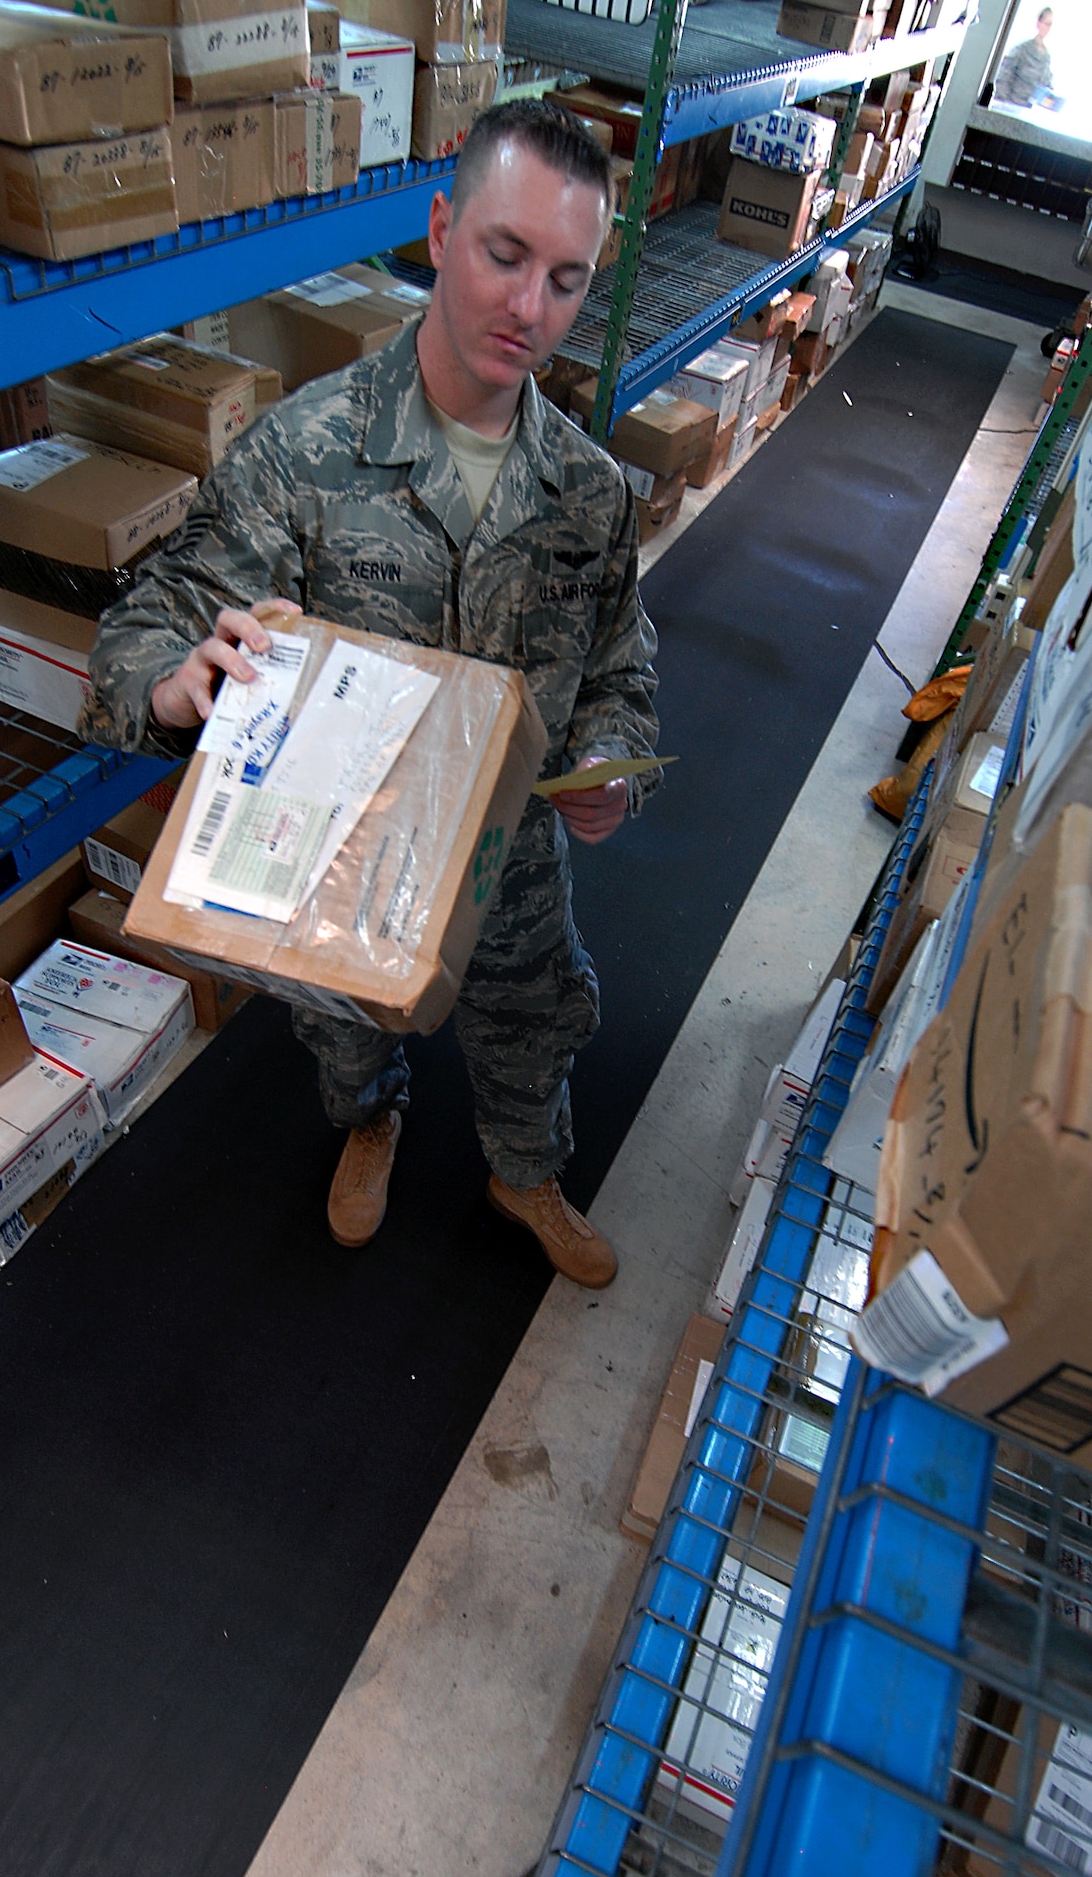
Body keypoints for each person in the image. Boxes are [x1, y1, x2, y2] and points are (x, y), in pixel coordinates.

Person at [79, 99, 660, 1289]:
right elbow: (144, 627)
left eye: (565, 277)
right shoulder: (304, 451)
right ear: (440, 229)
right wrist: (180, 684)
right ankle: (370, 1119)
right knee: (343, 1027)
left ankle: (523, 1165)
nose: (527, 307)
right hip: (339, 861)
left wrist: (609, 760)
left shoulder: (591, 492)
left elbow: (620, 662)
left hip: (510, 856)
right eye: (504, 255)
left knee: (532, 1021)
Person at [993, 7, 1057, 110]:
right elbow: (1003, 78)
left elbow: (1046, 85)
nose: (1049, 28)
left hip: (1030, 112)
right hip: (1011, 106)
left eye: (1051, 25)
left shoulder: (1047, 57)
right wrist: (1005, 106)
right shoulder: (1021, 50)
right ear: (1038, 24)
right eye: (1047, 24)